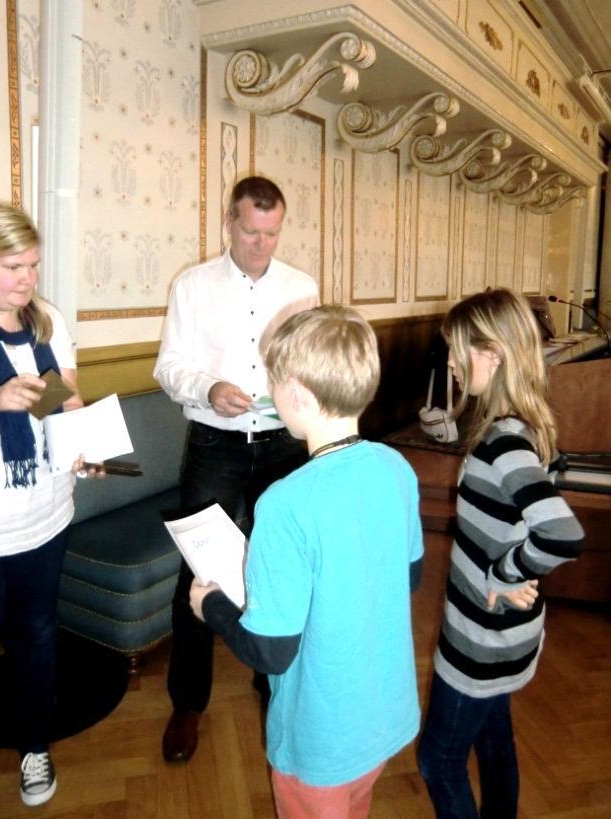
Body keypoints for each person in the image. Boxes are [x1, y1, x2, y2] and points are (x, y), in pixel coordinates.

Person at [190, 305, 424, 819]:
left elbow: (270, 652)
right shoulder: (397, 467)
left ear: (295, 393)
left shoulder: (286, 502)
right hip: (383, 714)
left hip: (321, 738)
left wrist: (212, 606)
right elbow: (406, 576)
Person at [153, 176, 319, 762]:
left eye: (272, 234)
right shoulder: (192, 285)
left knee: (280, 565)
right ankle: (187, 704)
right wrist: (209, 386)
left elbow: (313, 363)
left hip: (283, 446)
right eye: (251, 231)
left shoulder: (303, 288)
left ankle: (270, 677)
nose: (261, 245)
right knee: (197, 573)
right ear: (230, 222)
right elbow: (168, 368)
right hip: (216, 445)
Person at [0, 202, 102, 819]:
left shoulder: (48, 322)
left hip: (43, 518)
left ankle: (36, 745)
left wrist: (84, 448)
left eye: (33, 266)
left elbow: (65, 401)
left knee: (37, 640)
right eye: (12, 266)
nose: (27, 280)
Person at [416, 288, 585, 819]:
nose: (450, 363)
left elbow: (561, 533)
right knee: (493, 743)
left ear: (493, 353)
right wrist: (509, 574)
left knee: (438, 762)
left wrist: (503, 572)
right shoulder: (531, 427)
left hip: (480, 642)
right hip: (510, 633)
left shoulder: (502, 444)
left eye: (458, 350)